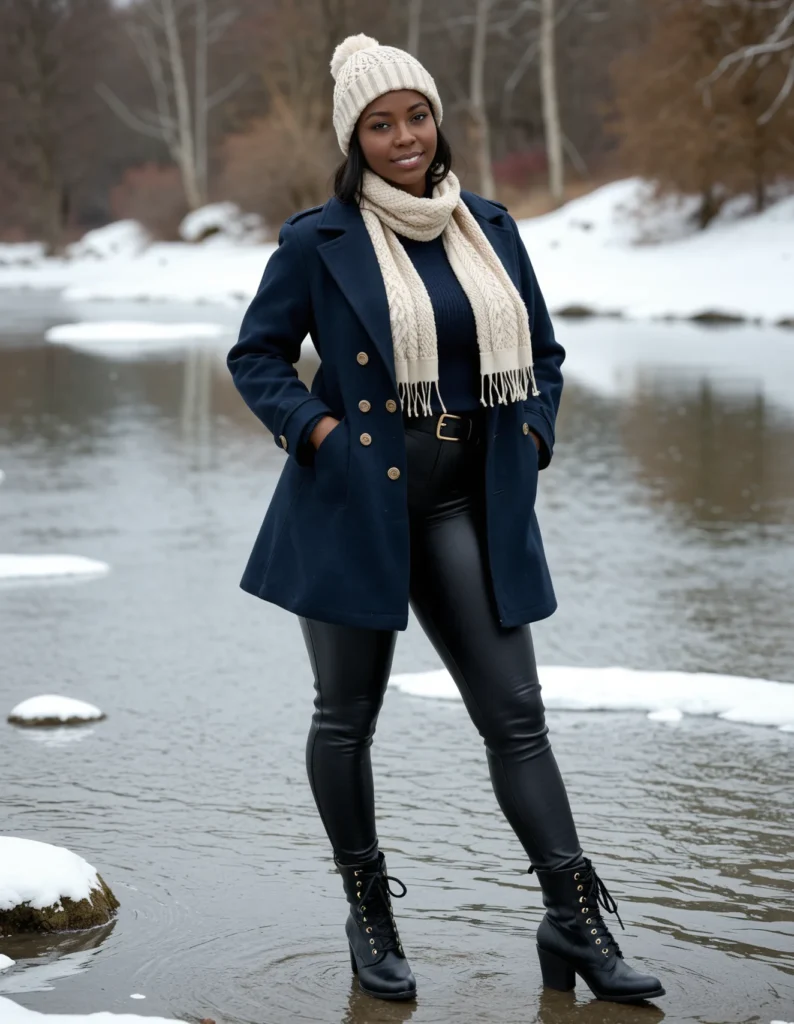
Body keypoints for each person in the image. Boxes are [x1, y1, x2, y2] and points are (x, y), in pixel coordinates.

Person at [227, 33, 665, 1007]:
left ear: (436, 118)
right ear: (355, 137)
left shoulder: (491, 226)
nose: (402, 138)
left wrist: (534, 439)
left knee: (515, 716)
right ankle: (369, 916)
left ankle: (573, 921)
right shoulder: (318, 239)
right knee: (344, 720)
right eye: (379, 125)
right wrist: (322, 434)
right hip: (351, 504)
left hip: (467, 498)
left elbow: (541, 355)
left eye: (414, 116)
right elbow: (255, 357)